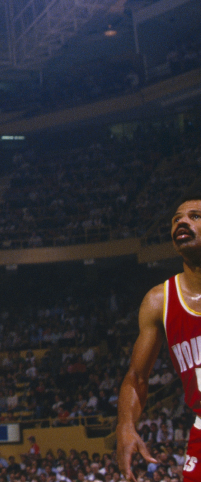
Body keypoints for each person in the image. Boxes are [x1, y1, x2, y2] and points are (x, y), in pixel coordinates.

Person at [117, 198, 201, 482]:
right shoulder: (159, 300)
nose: (182, 222)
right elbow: (137, 377)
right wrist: (126, 425)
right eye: (177, 218)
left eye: (195, 216)